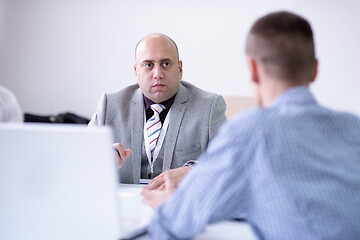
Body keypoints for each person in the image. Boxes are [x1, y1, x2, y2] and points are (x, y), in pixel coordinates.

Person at [142, 11, 360, 239]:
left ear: (253, 69)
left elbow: (175, 223)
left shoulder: (249, 131)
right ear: (315, 69)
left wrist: (169, 207)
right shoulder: (353, 128)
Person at [89, 33, 226, 185]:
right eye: (148, 65)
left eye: (166, 64)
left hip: (179, 204)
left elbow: (231, 161)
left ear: (179, 69)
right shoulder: (110, 105)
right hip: (122, 204)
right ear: (136, 71)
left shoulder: (209, 107)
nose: (158, 74)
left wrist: (193, 171)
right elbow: (79, 156)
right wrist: (98, 156)